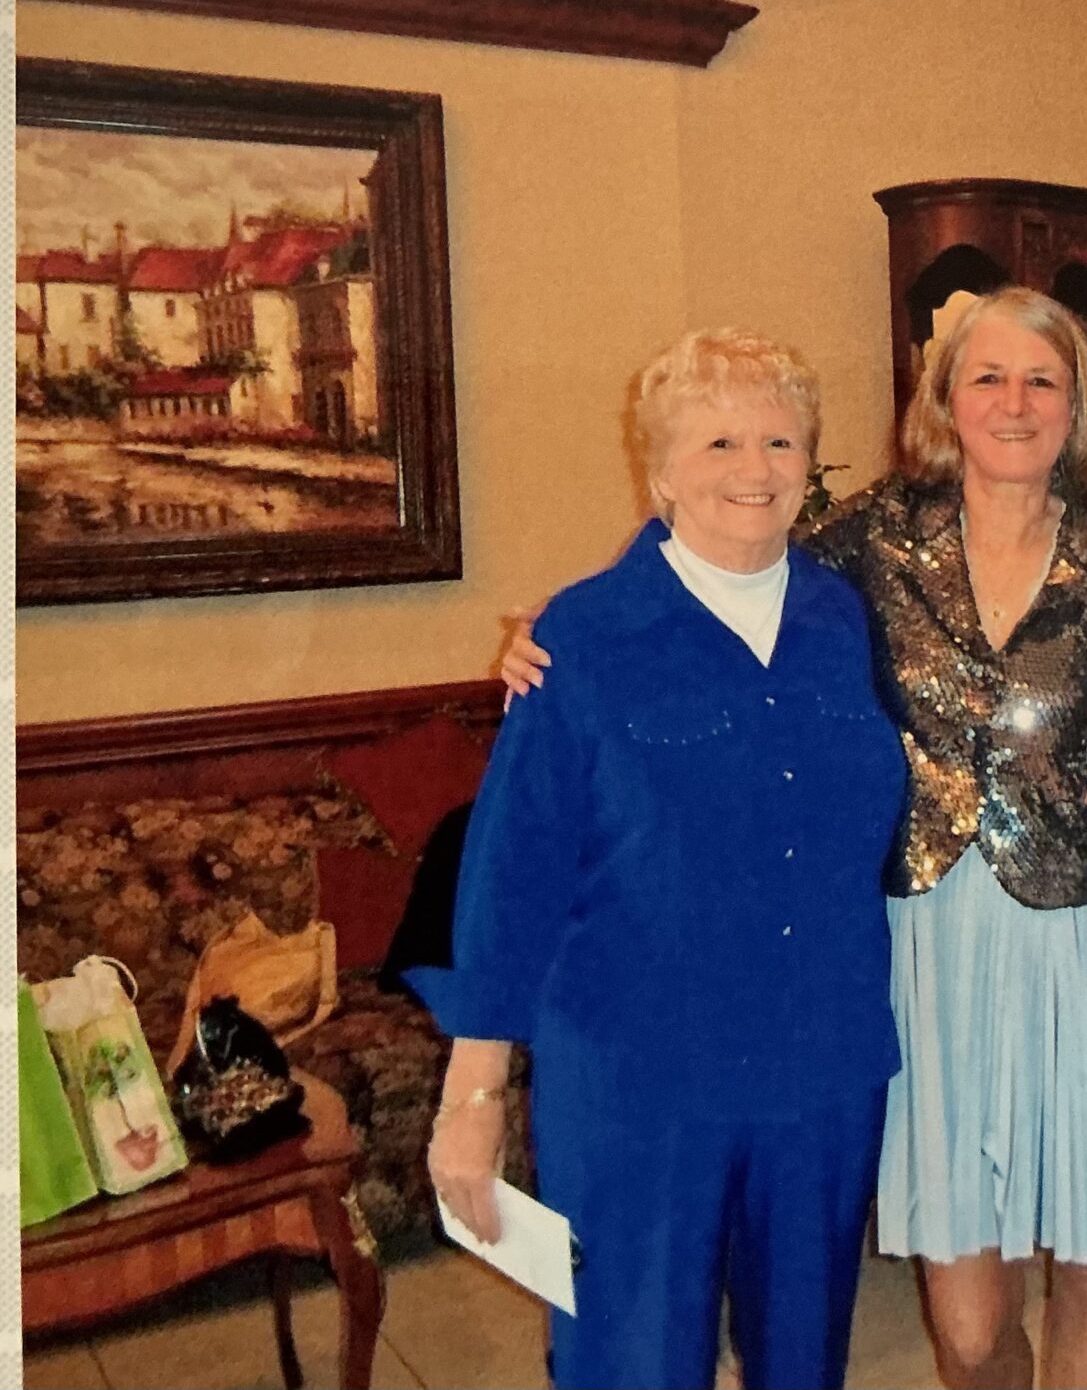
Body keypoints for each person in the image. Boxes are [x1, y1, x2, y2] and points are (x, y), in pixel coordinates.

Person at [503, 287, 1087, 1390]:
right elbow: (728, 542)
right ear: (945, 402)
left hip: (1078, 937)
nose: (1013, 403)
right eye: (987, 378)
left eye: (1042, 381)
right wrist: (557, 630)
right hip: (922, 942)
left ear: (1078, 408)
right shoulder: (873, 539)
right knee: (967, 1325)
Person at [409, 328, 908, 1390]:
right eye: (719, 440)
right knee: (632, 1362)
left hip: (818, 1068)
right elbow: (513, 877)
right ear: (660, 469)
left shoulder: (841, 617)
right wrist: (475, 1096)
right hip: (641, 1086)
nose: (754, 469)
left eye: (780, 440)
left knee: (803, 1363)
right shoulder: (582, 638)